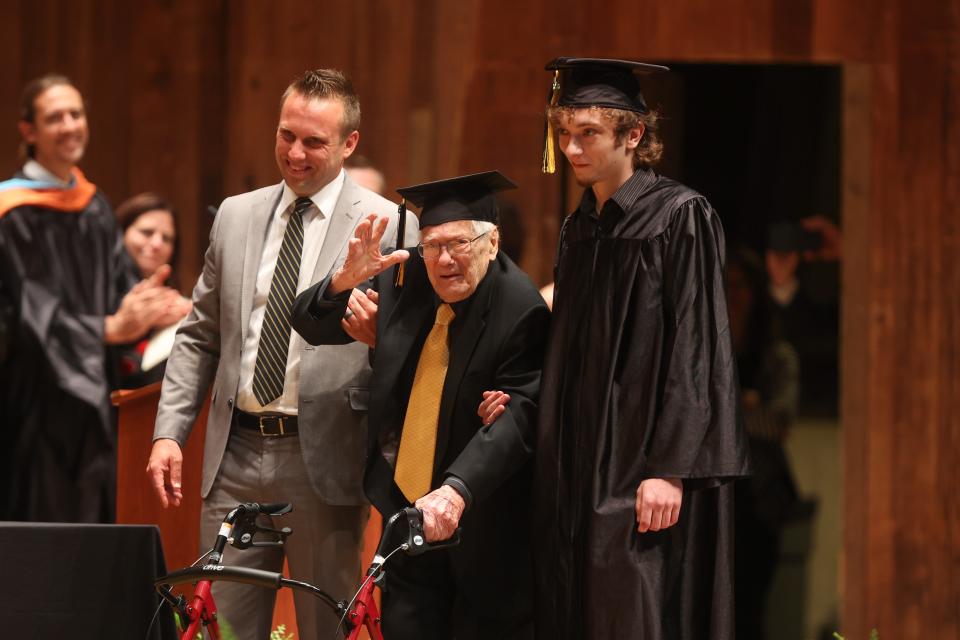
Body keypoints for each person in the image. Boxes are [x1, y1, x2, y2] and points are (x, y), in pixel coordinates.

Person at [145, 69, 418, 639]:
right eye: (285, 135)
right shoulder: (235, 215)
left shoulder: (391, 225)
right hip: (234, 455)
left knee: (325, 624)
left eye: (314, 141)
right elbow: (200, 334)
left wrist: (380, 341)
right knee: (229, 630)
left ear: (349, 144)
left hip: (325, 453)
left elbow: (412, 347)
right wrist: (169, 431)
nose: (295, 153)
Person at [498, 58, 751, 639]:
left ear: (633, 135)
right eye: (565, 133)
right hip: (576, 465)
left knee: (632, 609)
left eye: (587, 134)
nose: (570, 148)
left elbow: (697, 343)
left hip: (639, 464)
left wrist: (671, 467)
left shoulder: (681, 215)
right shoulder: (580, 227)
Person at [292, 171, 550, 639]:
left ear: (492, 243)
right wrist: (340, 283)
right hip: (407, 516)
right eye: (432, 245)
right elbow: (310, 325)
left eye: (458, 244)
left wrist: (456, 491)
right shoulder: (407, 274)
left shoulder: (521, 307)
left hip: (482, 524)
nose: (444, 260)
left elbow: (520, 416)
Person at [0, 74, 186, 522]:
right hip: (35, 407)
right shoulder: (12, 213)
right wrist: (107, 328)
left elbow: (122, 293)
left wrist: (160, 311)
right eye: (54, 118)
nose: (69, 125)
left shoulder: (94, 205)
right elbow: (27, 314)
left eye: (76, 114)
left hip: (99, 409)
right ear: (29, 131)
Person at [113, 192, 191, 387]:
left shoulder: (175, 302)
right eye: (146, 233)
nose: (156, 244)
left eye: (166, 238)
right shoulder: (99, 293)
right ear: (121, 232)